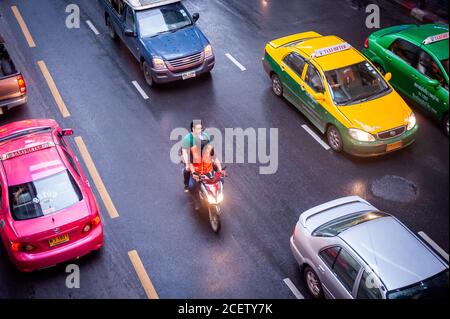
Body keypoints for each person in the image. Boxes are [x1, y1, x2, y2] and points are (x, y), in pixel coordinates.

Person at [181, 120, 210, 192]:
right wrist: (187, 164)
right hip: (187, 154)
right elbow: (184, 152)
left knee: (212, 164)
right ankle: (186, 184)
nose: (200, 130)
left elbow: (209, 147)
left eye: (201, 128)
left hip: (199, 154)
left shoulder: (205, 136)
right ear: (193, 129)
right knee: (187, 169)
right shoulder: (187, 139)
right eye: (198, 129)